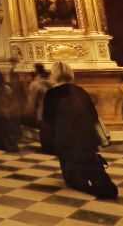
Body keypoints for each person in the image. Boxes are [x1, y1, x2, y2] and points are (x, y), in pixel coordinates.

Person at [42, 61, 117, 199]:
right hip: (86, 134)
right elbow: (93, 115)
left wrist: (49, 139)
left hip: (64, 136)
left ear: (54, 75)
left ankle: (77, 182)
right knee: (89, 160)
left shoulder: (52, 94)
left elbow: (48, 119)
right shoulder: (80, 90)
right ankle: (105, 186)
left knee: (68, 160)